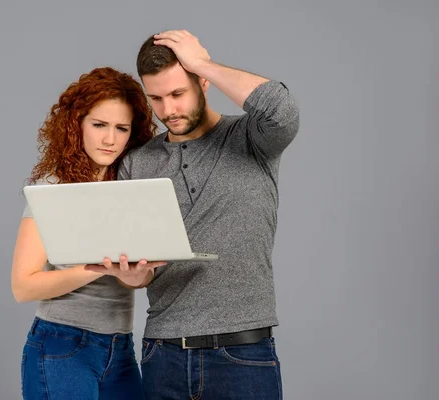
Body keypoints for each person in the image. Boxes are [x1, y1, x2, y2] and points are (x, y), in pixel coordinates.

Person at [86, 30, 300, 399]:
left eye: (178, 94)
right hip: (162, 355)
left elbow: (282, 110)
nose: (168, 110)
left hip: (242, 353)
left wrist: (202, 62)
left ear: (204, 82)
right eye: (156, 98)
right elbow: (137, 271)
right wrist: (134, 276)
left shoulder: (251, 138)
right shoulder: (138, 163)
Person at [11, 66, 163, 400]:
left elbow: (131, 280)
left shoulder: (131, 190)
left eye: (121, 128)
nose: (110, 139)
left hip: (120, 349)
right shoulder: (53, 189)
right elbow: (24, 286)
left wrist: (139, 275)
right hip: (62, 345)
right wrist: (94, 269)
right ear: (76, 123)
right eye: (99, 125)